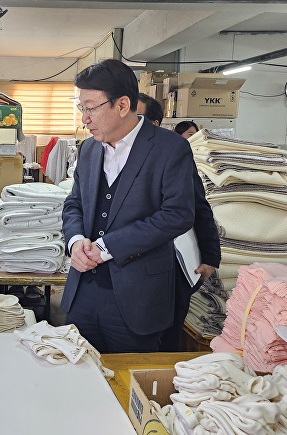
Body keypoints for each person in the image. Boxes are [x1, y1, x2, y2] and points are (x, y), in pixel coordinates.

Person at [61, 59, 196, 354]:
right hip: (83, 290)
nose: (85, 118)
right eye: (81, 107)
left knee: (128, 385)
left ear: (122, 105)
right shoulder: (88, 149)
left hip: (138, 297)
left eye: (91, 107)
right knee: (78, 373)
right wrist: (74, 243)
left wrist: (107, 247)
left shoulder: (169, 148)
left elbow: (178, 215)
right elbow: (74, 204)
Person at [137, 93, 221, 351]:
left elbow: (199, 207)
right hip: (132, 264)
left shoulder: (173, 156)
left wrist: (210, 257)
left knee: (167, 332)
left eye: (137, 119)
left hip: (172, 263)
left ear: (154, 124)